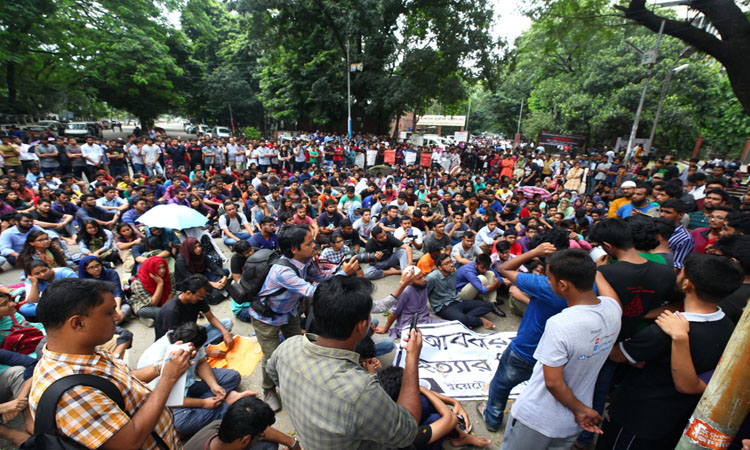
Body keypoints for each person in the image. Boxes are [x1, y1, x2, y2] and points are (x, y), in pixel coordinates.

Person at [598, 254, 744, 449]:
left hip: (638, 416)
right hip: (673, 420)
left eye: (681, 271)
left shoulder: (666, 329)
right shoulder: (727, 325)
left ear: (687, 284)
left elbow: (616, 354)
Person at [29, 278, 191, 449]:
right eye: (109, 312)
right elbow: (129, 442)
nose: (118, 316)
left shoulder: (87, 353)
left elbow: (119, 381)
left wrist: (162, 366)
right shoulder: (70, 393)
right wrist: (168, 378)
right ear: (78, 323)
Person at [267, 275, 421, 449]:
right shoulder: (361, 391)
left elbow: (272, 371)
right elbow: (408, 432)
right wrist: (411, 359)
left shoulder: (288, 346)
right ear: (362, 327)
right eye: (369, 316)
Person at [500, 249, 622, 449]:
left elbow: (553, 382)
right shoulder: (613, 309)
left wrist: (581, 410)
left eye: (549, 279)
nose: (548, 283)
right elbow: (611, 296)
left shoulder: (561, 323)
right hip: (569, 426)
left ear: (563, 285)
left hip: (537, 418)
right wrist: (595, 271)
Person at [245, 226, 359, 412]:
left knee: (296, 348)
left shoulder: (306, 260)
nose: (315, 245)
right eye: (309, 243)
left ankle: (294, 380)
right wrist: (343, 273)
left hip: (290, 313)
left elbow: (320, 277)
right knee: (272, 356)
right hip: (266, 318)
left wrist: (339, 269)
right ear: (294, 249)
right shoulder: (283, 271)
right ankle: (269, 391)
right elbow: (312, 292)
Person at [478, 241, 568, 432]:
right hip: (559, 356)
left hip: (526, 350)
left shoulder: (545, 285)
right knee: (544, 391)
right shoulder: (590, 289)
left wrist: (534, 252)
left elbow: (505, 268)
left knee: (501, 384)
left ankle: (493, 419)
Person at [138, 321, 254, 437]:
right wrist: (203, 403)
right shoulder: (157, 358)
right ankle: (227, 403)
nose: (198, 352)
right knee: (180, 425)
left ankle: (213, 404)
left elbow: (202, 362)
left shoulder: (188, 341)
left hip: (189, 385)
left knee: (232, 377)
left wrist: (214, 385)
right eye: (197, 350)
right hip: (166, 399)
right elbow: (168, 399)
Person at [184, 396, 300, 450]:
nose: (262, 435)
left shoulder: (219, 426)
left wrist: (292, 443)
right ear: (245, 439)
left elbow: (260, 427)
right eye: (258, 436)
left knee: (270, 443)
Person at [154, 275, 234, 352]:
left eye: (203, 296)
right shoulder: (171, 311)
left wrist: (225, 332)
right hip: (177, 342)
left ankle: (201, 348)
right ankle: (201, 349)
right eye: (199, 296)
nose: (202, 299)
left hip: (193, 333)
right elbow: (174, 341)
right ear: (188, 293)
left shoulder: (199, 299)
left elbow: (211, 317)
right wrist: (206, 352)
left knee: (227, 323)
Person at [426, 253, 495, 330]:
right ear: (440, 267)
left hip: (456, 300)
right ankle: (480, 320)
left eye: (451, 261)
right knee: (462, 319)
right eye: (447, 263)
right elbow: (424, 294)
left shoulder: (454, 271)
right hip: (443, 307)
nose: (451, 265)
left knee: (488, 305)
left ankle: (467, 320)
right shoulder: (432, 277)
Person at [373, 266, 444, 339]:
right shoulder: (406, 291)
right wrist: (385, 328)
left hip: (425, 319)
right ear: (410, 282)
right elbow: (394, 313)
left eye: (423, 276)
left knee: (450, 327)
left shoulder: (423, 285)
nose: (424, 279)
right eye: (419, 278)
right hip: (409, 323)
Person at [175, 237, 229, 305]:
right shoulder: (181, 261)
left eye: (199, 246)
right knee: (209, 290)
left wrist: (224, 276)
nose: (199, 249)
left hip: (203, 275)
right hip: (188, 281)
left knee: (225, 272)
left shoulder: (201, 254)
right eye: (195, 247)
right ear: (190, 248)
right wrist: (211, 284)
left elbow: (213, 266)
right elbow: (190, 278)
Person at [78, 255, 130, 323]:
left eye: (97, 265)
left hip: (116, 303)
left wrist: (117, 308)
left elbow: (117, 292)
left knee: (126, 309)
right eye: (91, 268)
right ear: (85, 270)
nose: (96, 269)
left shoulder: (111, 273)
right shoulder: (83, 282)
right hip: (98, 309)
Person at [130, 256, 176, 325]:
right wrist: (160, 284)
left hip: (165, 300)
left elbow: (172, 290)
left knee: (182, 297)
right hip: (146, 304)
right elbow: (152, 303)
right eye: (158, 268)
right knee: (144, 311)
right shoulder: (137, 283)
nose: (162, 270)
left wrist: (166, 304)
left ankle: (158, 316)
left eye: (163, 267)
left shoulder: (168, 275)